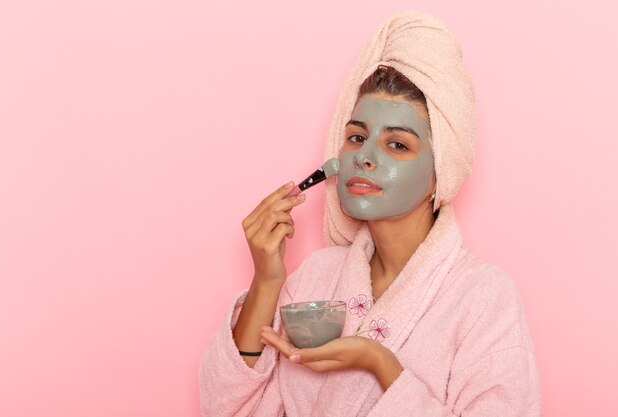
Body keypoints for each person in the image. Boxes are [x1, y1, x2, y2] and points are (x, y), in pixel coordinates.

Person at [199, 10, 542, 417]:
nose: (364, 156)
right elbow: (228, 408)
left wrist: (380, 363)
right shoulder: (315, 278)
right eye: (357, 137)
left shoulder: (483, 297)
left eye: (397, 145)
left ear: (439, 173)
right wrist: (266, 281)